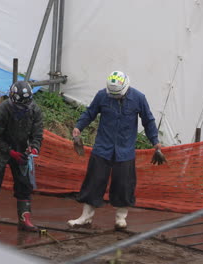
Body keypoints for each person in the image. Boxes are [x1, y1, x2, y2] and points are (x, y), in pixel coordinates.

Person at [67, 71, 166, 230]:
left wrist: (155, 142)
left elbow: (148, 121)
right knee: (94, 181)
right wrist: (79, 127)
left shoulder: (139, 98)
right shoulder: (102, 96)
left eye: (118, 95)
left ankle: (121, 218)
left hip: (125, 150)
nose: (115, 97)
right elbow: (90, 112)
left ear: (126, 87)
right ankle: (85, 217)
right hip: (102, 148)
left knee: (124, 184)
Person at [0, 81, 43, 233]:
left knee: (24, 184)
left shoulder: (35, 110)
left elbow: (38, 133)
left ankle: (24, 219)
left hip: (21, 149)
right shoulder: (1, 110)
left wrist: (34, 147)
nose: (22, 108)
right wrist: (10, 152)